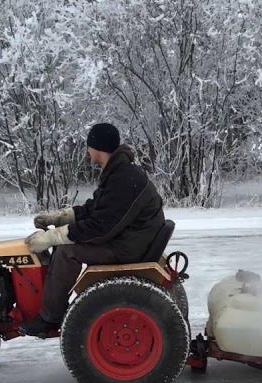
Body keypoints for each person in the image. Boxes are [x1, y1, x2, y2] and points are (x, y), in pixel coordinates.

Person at [18, 123, 166, 337]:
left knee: (67, 251)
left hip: (128, 247)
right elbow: (97, 209)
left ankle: (49, 317)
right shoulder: (119, 172)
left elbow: (101, 227)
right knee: (65, 243)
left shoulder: (124, 178)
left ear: (98, 148)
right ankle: (52, 305)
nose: (87, 151)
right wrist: (62, 217)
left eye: (89, 146)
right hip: (130, 239)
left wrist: (54, 237)